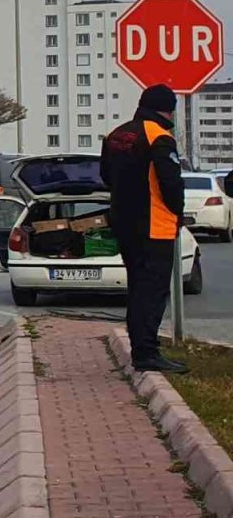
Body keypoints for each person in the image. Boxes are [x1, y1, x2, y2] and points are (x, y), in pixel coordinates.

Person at [100, 84, 188, 373]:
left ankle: (140, 348)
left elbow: (105, 176)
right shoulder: (160, 137)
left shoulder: (116, 135)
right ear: (168, 108)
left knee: (137, 288)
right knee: (151, 292)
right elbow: (171, 184)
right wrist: (178, 212)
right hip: (155, 225)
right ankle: (146, 354)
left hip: (124, 223)